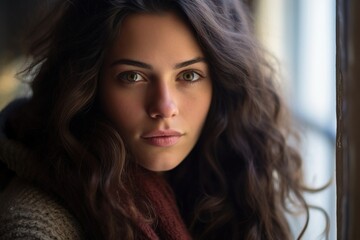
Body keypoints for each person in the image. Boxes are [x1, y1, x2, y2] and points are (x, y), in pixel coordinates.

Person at [0, 0, 315, 239]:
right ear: (88, 86)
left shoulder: (233, 177)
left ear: (221, 85)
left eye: (189, 75)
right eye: (133, 76)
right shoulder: (36, 222)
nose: (164, 107)